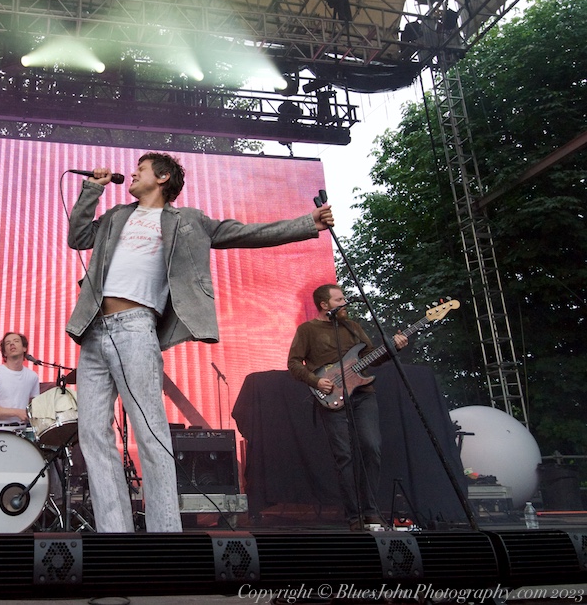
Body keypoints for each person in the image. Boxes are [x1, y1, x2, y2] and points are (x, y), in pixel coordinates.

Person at [65, 151, 334, 533]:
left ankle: (164, 536)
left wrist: (308, 222)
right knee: (92, 433)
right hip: (93, 330)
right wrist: (92, 190)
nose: (132, 174)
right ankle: (115, 535)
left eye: (140, 169)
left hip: (136, 326)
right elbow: (78, 237)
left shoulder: (188, 220)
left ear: (161, 178)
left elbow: (245, 233)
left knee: (150, 431)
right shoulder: (116, 217)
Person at [287, 283, 408, 531]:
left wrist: (393, 347)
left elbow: (371, 355)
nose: (345, 302)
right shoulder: (308, 330)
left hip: (363, 394)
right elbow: (292, 363)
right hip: (331, 397)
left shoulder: (352, 328)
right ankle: (355, 516)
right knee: (345, 456)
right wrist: (316, 380)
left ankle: (371, 511)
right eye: (339, 299)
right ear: (324, 304)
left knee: (371, 448)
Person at [0, 332, 41, 428]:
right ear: (4, 352)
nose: (12, 344)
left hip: (22, 431)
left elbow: (35, 408)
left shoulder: (32, 376)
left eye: (16, 341)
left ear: (24, 348)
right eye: (7, 343)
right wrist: (16, 412)